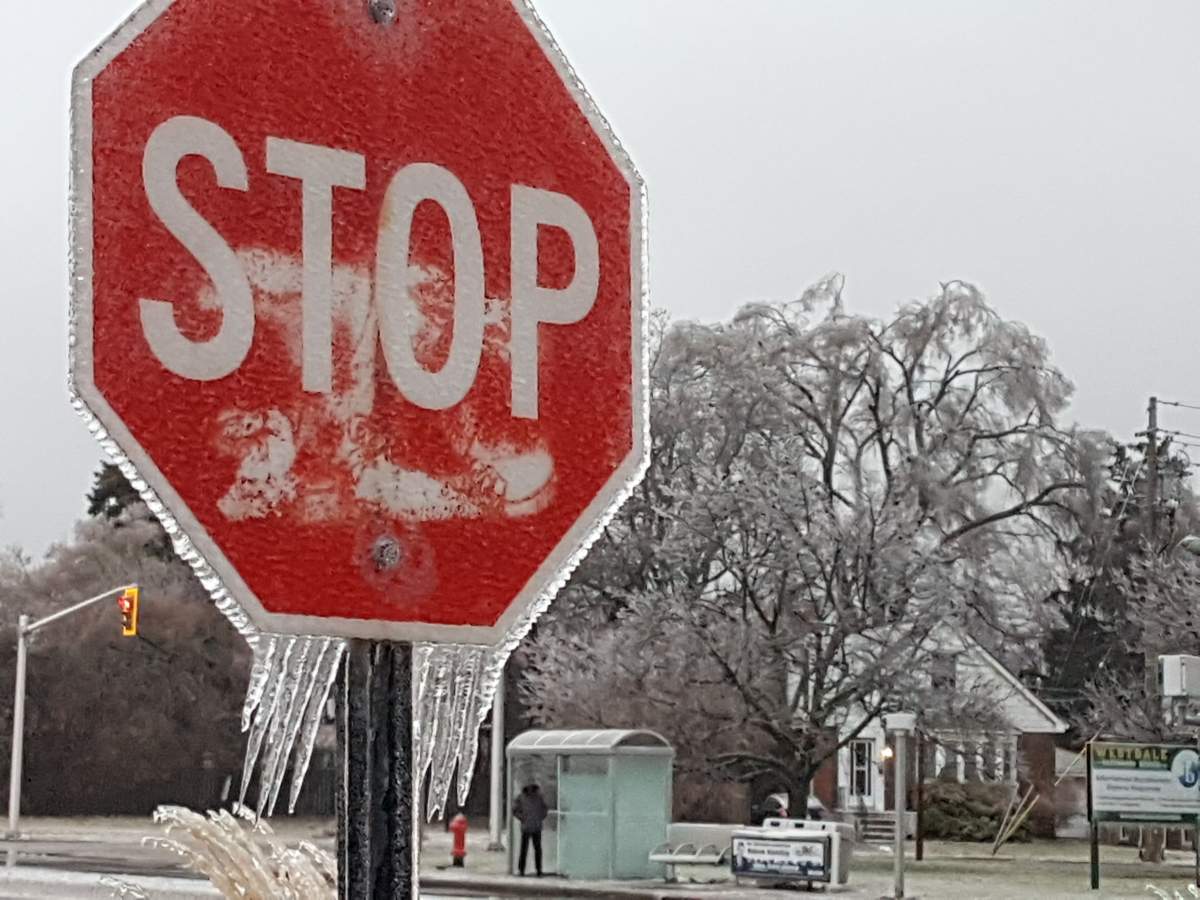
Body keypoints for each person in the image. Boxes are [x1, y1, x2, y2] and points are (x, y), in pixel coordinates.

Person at [512, 782, 548, 876]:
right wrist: (539, 817)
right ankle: (537, 870)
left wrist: (522, 818)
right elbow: (544, 809)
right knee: (535, 849)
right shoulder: (538, 797)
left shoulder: (522, 797)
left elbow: (515, 810)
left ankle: (523, 870)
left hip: (528, 826)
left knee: (526, 849)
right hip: (534, 826)